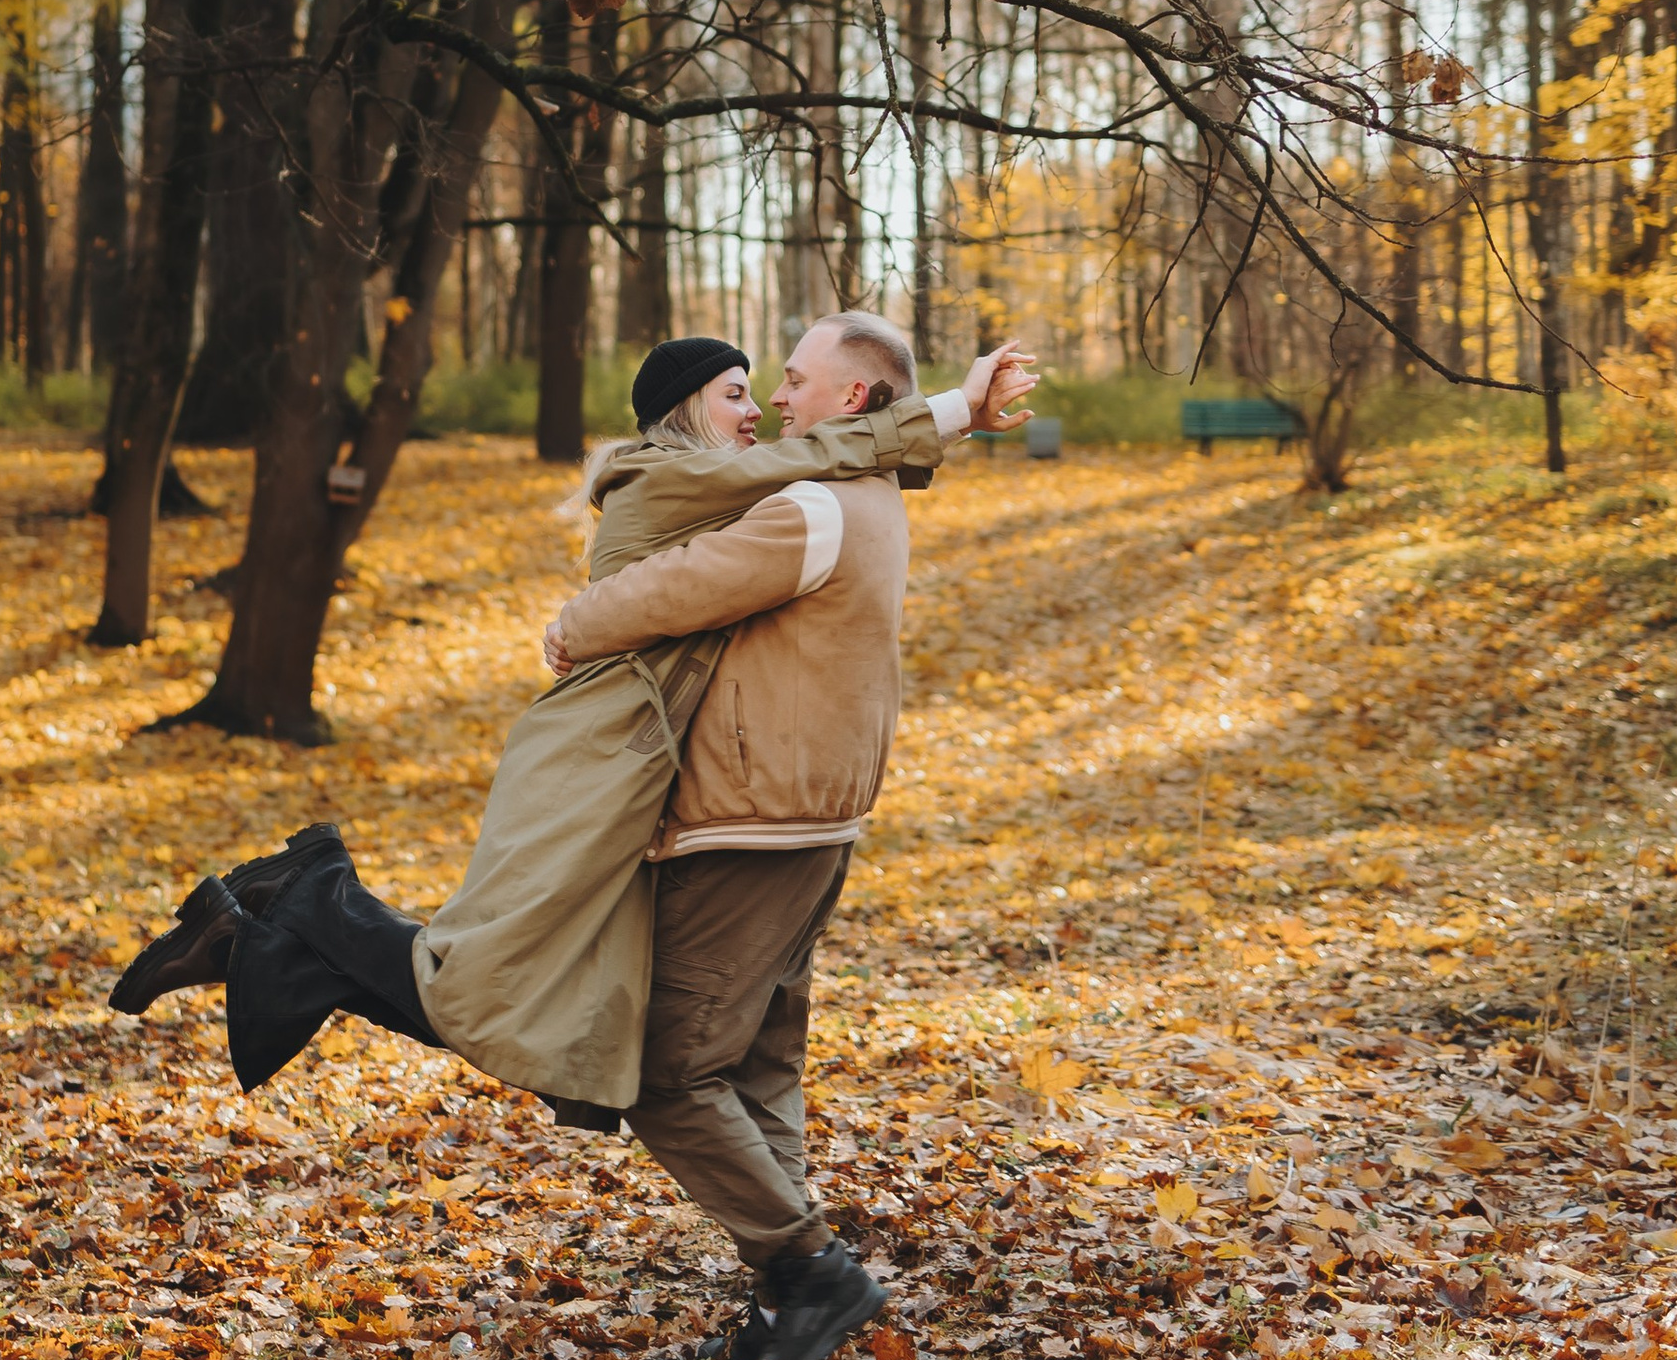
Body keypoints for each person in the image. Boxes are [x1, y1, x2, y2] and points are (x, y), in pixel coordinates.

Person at [111, 326, 1030, 1153]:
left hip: (638, 761)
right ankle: (312, 897)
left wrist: (948, 425)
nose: (761, 409)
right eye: (737, 392)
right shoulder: (681, 474)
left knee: (545, 994)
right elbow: (825, 453)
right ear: (686, 411)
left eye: (768, 386)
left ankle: (266, 933)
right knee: (506, 984)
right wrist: (954, 407)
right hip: (601, 757)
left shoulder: (724, 482)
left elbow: (837, 469)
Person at [535, 310, 977, 1360]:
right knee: (763, 1063)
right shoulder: (862, 493)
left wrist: (571, 627)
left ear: (853, 400)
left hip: (756, 820)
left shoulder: (811, 510)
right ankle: (791, 1332)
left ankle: (807, 1271)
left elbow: (656, 595)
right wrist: (963, 408)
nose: (779, 400)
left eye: (793, 380)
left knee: (668, 1071)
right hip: (813, 817)